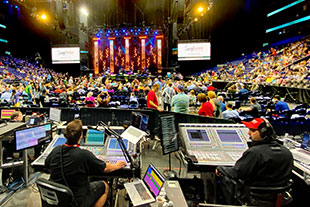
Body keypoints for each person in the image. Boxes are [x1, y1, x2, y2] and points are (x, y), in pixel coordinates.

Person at [45, 120, 127, 207]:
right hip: (77, 200)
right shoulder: (84, 154)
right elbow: (105, 168)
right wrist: (117, 165)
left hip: (58, 198)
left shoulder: (56, 150)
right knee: (105, 186)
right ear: (80, 136)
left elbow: (47, 166)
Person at [216, 118, 293, 205]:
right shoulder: (286, 151)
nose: (248, 133)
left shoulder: (254, 152)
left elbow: (237, 173)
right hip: (280, 199)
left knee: (224, 178)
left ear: (263, 133)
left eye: (252, 130)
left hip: (256, 198)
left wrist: (220, 168)